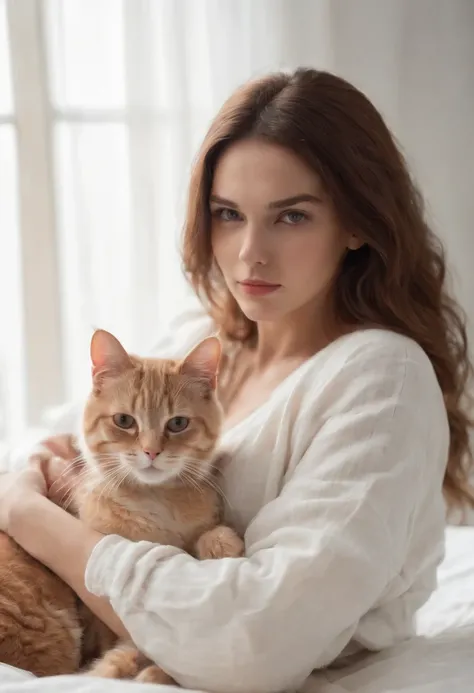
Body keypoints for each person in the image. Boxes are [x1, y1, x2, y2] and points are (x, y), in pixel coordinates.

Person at [0, 68, 472, 693]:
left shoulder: (382, 380)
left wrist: (32, 516)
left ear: (358, 223)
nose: (251, 251)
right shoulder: (202, 338)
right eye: (227, 214)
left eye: (292, 217)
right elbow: (54, 447)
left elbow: (251, 641)